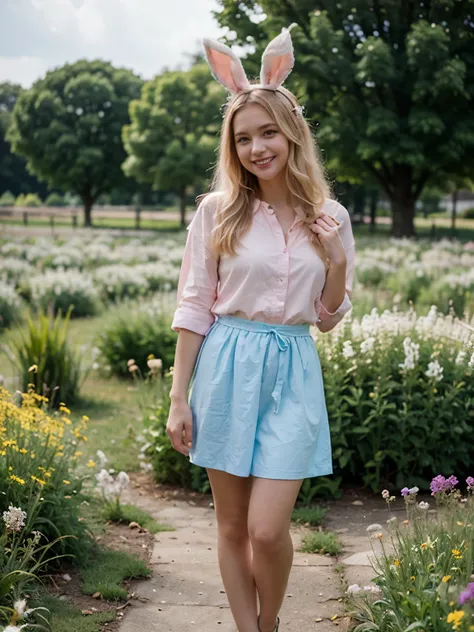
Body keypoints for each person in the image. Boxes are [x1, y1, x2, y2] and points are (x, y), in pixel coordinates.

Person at [166, 24, 356, 632]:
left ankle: (268, 620)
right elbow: (196, 304)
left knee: (268, 530)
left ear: (292, 134)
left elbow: (327, 319)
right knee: (230, 526)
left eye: (268, 132)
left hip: (294, 368)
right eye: (244, 138)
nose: (257, 148)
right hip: (226, 364)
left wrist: (338, 262)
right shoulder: (216, 212)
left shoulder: (331, 217)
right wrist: (178, 398)